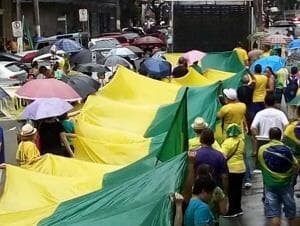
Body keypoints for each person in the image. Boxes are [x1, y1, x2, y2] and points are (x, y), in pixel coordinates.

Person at [258, 127, 299, 226]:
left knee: (275, 214)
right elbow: (296, 165)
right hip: (286, 186)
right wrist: (290, 176)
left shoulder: (262, 149)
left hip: (270, 185)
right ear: (280, 136)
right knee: (291, 215)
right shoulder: (287, 149)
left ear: (269, 136)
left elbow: (261, 164)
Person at [221, 124, 245, 217]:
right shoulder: (241, 141)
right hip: (241, 168)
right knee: (238, 190)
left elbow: (223, 156)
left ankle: (231, 211)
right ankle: (238, 209)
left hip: (231, 169)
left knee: (231, 191)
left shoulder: (227, 142)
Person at [195, 128, 229, 193]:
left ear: (200, 140)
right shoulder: (220, 156)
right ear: (213, 141)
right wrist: (225, 192)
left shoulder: (194, 155)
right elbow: (224, 177)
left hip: (198, 191)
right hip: (215, 191)